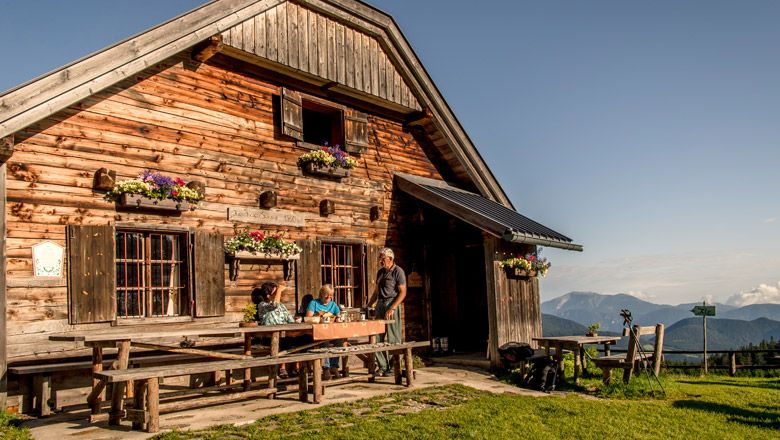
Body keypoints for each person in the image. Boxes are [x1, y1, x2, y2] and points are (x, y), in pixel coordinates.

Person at [367, 247, 407, 377]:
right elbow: (376, 291)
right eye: (380, 258)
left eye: (382, 259)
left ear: (390, 258)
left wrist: (393, 307)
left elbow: (403, 292)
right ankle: (383, 366)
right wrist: (369, 305)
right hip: (380, 303)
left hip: (392, 303)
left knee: (393, 337)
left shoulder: (398, 271)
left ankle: (394, 366)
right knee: (377, 336)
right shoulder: (380, 272)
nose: (380, 261)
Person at [252, 281, 296, 377]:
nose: (278, 294)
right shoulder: (262, 305)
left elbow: (290, 320)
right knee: (283, 341)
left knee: (299, 339)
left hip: (284, 334)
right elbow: (274, 305)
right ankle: (282, 368)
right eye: (276, 292)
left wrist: (297, 321)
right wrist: (279, 289)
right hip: (269, 337)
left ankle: (297, 367)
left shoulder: (281, 306)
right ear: (268, 295)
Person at [306, 284, 343, 379]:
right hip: (317, 333)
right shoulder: (314, 303)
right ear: (321, 294)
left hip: (331, 332)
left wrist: (336, 317)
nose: (329, 297)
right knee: (324, 342)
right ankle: (326, 368)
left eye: (331, 295)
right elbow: (308, 318)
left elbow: (339, 316)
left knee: (339, 341)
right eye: (327, 295)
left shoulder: (333, 304)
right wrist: (319, 316)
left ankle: (334, 366)